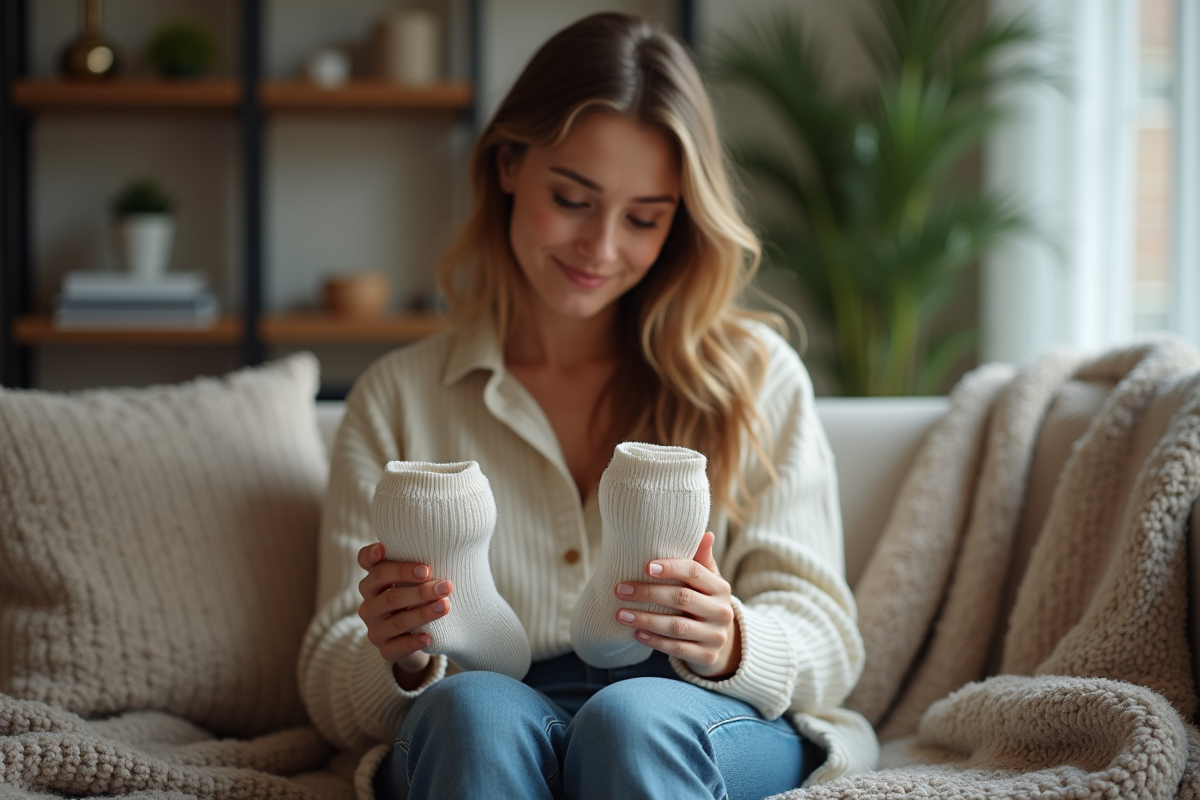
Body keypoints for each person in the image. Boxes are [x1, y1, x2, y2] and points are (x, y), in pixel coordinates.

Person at [298, 12, 875, 800]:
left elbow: (829, 641)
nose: (601, 249)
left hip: (698, 710)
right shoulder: (398, 397)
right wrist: (396, 655)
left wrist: (734, 639)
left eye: (644, 218)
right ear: (508, 165)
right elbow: (333, 677)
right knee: (474, 714)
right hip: (483, 715)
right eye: (572, 198)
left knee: (630, 721)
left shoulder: (754, 377)